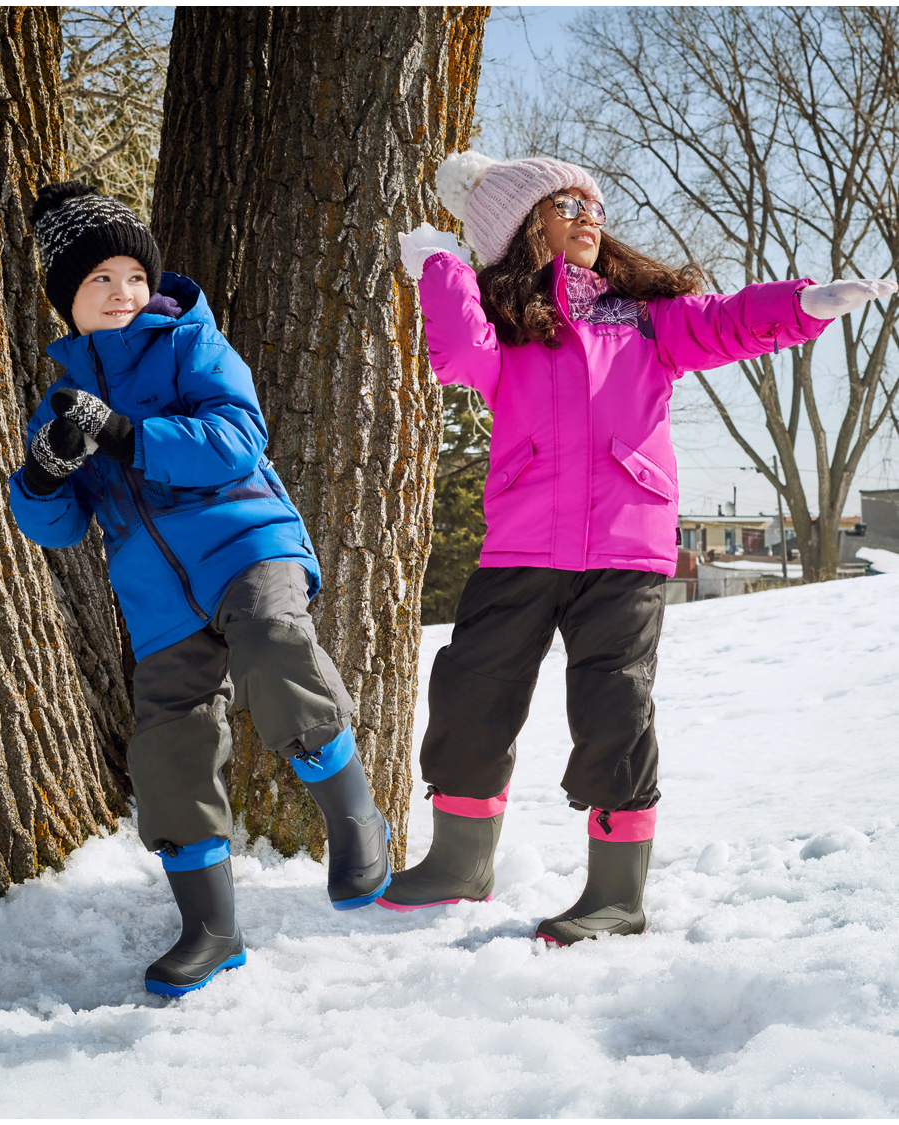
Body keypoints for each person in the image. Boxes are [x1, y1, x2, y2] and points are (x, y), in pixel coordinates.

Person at [376, 149, 897, 944]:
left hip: (626, 547)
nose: (592, 218)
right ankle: (459, 863)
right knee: (470, 692)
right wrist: (443, 268)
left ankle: (617, 894)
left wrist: (809, 303)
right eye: (570, 206)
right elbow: (459, 357)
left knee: (614, 709)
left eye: (595, 206)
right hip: (521, 544)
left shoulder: (644, 315)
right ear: (526, 226)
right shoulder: (507, 321)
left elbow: (727, 322)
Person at [10, 182, 392, 996]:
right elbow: (58, 526)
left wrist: (127, 434)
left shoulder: (190, 343)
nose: (123, 293)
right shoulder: (61, 398)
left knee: (270, 643)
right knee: (168, 743)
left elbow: (235, 438)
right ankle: (211, 927)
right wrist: (42, 475)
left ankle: (355, 817)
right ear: (68, 302)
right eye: (99, 281)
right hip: (155, 598)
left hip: (246, 543)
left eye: (132, 276)